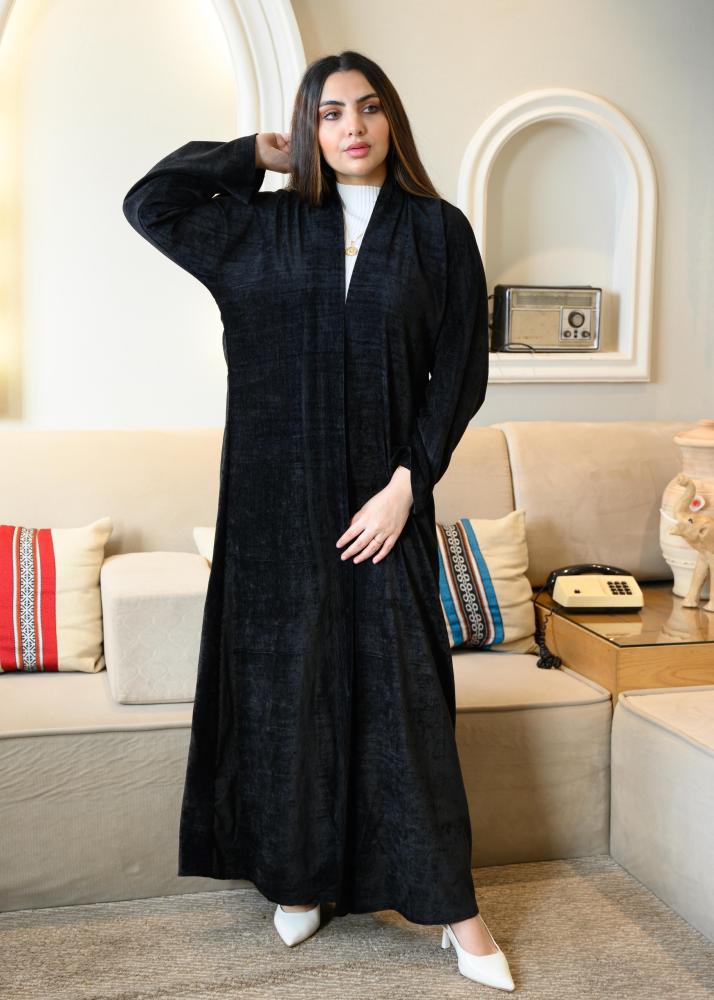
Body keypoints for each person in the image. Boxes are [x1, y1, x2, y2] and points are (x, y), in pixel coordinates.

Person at [122, 50, 514, 992]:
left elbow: (459, 374)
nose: (352, 127)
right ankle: (298, 880)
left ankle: (454, 911)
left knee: (406, 702)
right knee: (283, 694)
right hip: (272, 510)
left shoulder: (437, 232)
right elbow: (150, 203)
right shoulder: (259, 225)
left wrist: (407, 485)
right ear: (308, 128)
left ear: (392, 119)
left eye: (368, 108)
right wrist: (256, 154)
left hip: (387, 506)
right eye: (329, 113)